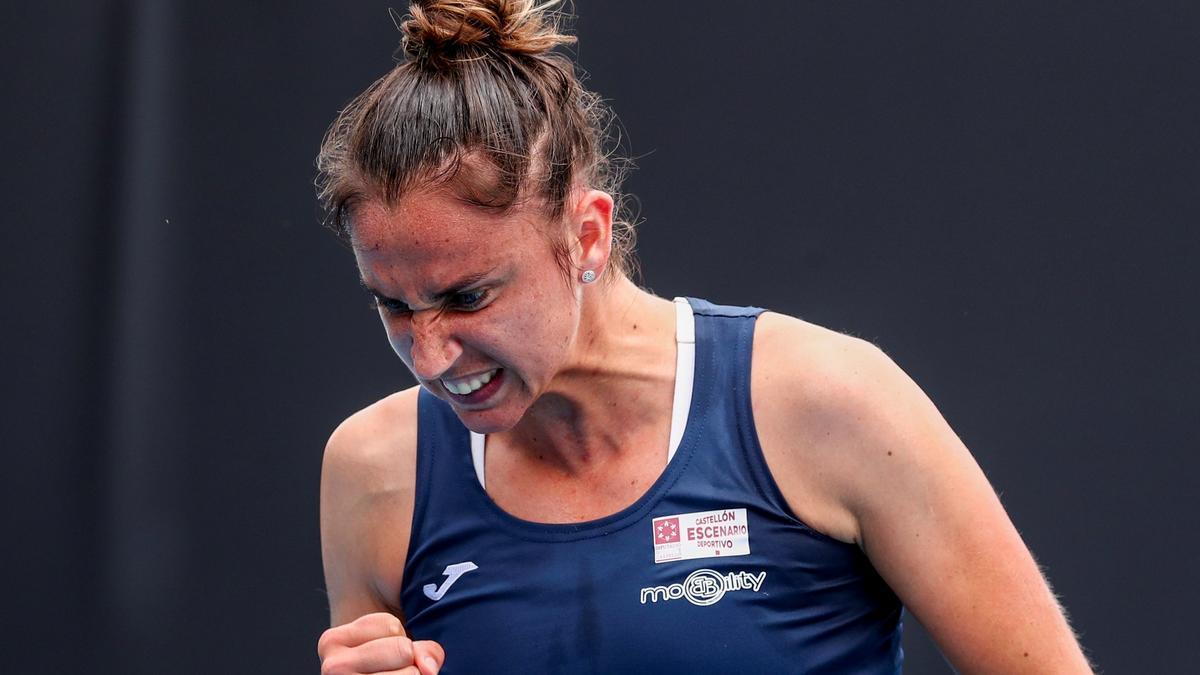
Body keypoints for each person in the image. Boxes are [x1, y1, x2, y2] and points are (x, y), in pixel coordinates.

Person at [314, 1, 1093, 673]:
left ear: (586, 236)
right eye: (393, 305)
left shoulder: (831, 401)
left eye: (468, 296)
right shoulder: (374, 471)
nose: (430, 355)